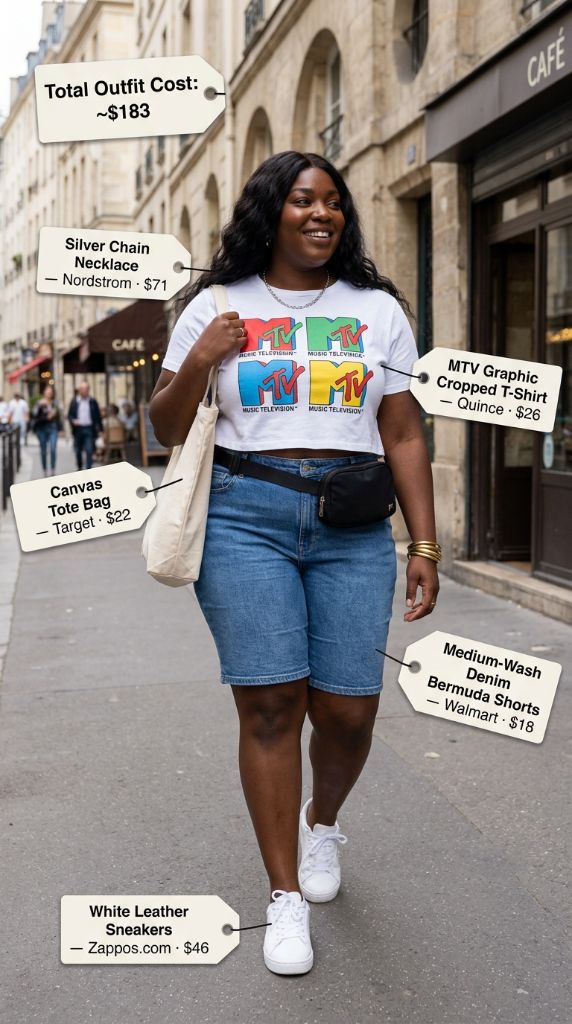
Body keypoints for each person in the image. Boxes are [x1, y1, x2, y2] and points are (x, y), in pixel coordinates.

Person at [149, 151, 439, 976]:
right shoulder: (214, 305)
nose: (323, 214)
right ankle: (283, 899)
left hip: (351, 525)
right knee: (272, 706)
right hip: (244, 518)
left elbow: (402, 431)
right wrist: (201, 358)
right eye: (305, 200)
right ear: (270, 211)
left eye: (334, 202)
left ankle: (322, 822)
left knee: (348, 713)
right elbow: (164, 427)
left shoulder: (376, 311)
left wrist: (424, 542)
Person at [67, 381, 103, 470]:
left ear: (88, 390)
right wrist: (73, 421)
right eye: (82, 389)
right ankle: (80, 466)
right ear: (80, 390)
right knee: (78, 450)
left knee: (89, 449)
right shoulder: (74, 401)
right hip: (78, 429)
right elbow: (69, 415)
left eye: (86, 389)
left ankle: (88, 467)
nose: (84, 391)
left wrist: (101, 429)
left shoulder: (92, 401)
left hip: (89, 428)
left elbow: (98, 416)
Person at [32, 384, 62, 475]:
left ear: (52, 393)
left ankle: (52, 469)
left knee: (53, 448)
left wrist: (61, 429)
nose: (49, 393)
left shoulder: (55, 403)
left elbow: (59, 417)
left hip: (53, 427)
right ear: (44, 392)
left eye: (50, 392)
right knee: (43, 450)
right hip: (42, 428)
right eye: (47, 391)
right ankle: (44, 469)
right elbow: (34, 414)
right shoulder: (39, 403)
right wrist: (40, 407)